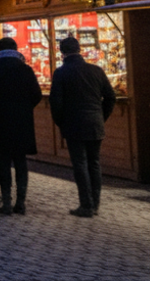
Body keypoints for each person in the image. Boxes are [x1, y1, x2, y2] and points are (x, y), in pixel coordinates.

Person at [49, 36, 116, 217]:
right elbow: (110, 96)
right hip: (95, 123)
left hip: (73, 123)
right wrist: (101, 116)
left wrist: (60, 122)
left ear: (62, 52)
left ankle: (86, 205)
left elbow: (56, 102)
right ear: (79, 50)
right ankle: (95, 203)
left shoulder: (61, 73)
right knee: (94, 163)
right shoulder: (96, 70)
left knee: (80, 163)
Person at [0, 37, 42, 215]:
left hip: (0, 122)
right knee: (21, 162)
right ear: (15, 50)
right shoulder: (25, 69)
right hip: (22, 122)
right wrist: (25, 108)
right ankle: (21, 203)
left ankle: (7, 202)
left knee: (4, 162)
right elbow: (37, 94)